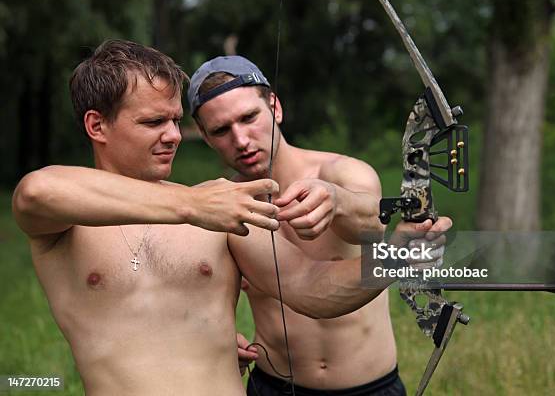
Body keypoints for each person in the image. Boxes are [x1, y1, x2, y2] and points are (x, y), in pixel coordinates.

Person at [12, 39, 444, 396]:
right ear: (96, 126)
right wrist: (190, 206)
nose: (173, 136)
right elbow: (35, 192)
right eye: (153, 122)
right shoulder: (69, 220)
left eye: (176, 121)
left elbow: (312, 288)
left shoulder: (221, 208)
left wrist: (396, 255)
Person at [189, 55, 452, 396]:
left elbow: (370, 222)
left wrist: (336, 201)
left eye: (249, 117)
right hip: (272, 385)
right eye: (221, 130)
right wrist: (220, 336)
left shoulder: (341, 173)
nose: (240, 140)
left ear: (275, 108)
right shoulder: (224, 207)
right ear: (206, 137)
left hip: (367, 387)